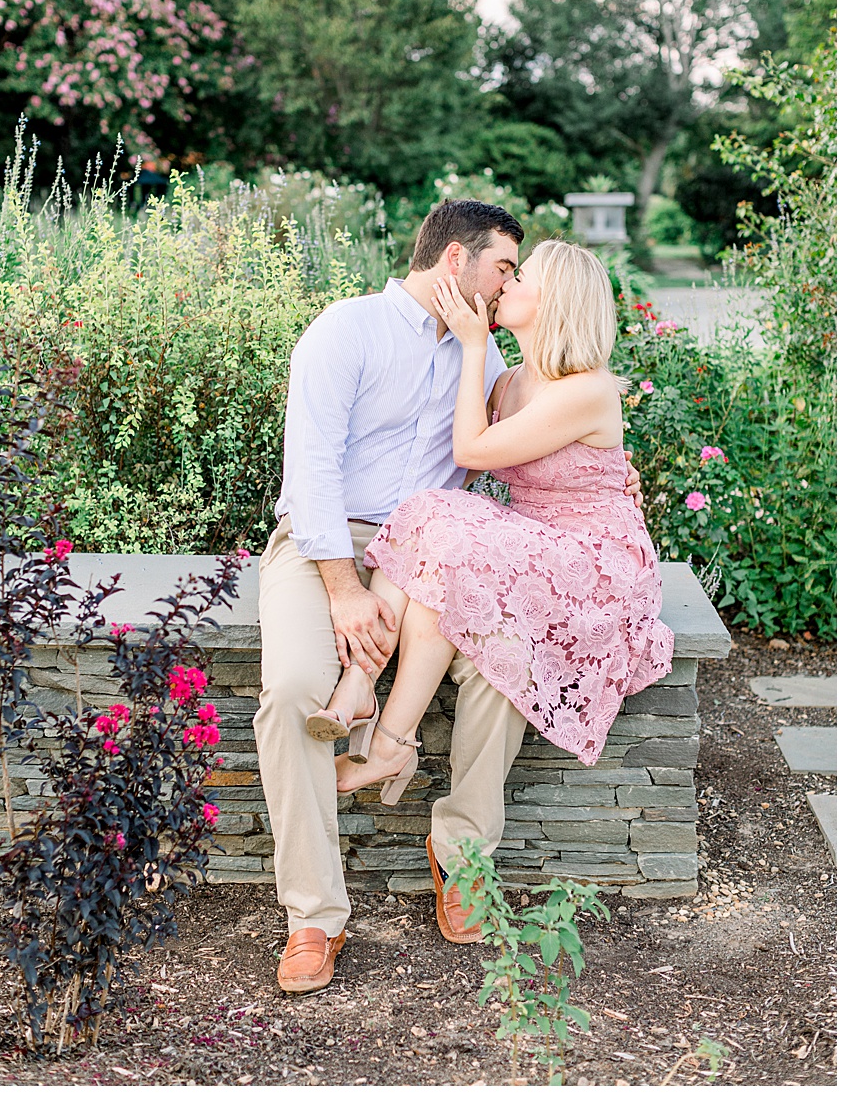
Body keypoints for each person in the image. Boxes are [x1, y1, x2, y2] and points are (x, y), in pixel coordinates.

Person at [255, 203, 644, 996]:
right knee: (294, 690)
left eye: (518, 278)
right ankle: (313, 917)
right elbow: (311, 474)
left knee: (503, 661)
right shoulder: (348, 329)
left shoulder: (490, 357)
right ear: (458, 259)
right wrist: (341, 590)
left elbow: (525, 448)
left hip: (432, 554)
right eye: (505, 268)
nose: (507, 286)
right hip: (328, 544)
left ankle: (463, 854)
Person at [334, 240, 673, 819]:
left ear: (555, 300)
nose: (505, 285)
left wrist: (473, 344)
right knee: (433, 525)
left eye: (521, 278)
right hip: (538, 541)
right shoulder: (508, 382)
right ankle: (364, 691)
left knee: (440, 521)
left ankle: (386, 738)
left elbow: (471, 448)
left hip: (594, 563)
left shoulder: (587, 389)